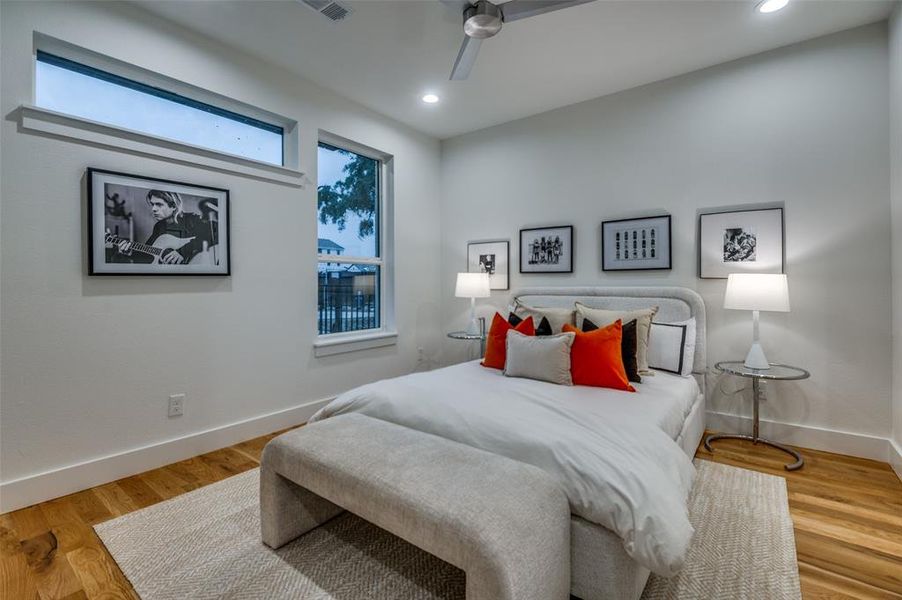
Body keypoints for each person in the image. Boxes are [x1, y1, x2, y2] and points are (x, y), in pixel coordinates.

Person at [116, 190, 216, 264]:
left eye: (159, 205)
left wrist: (183, 252)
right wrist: (130, 252)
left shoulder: (192, 219)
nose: (154, 209)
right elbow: (149, 254)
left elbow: (216, 232)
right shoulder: (159, 226)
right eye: (152, 204)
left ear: (173, 206)